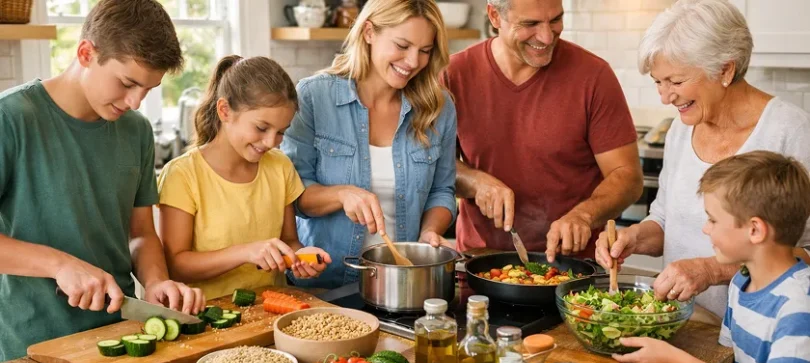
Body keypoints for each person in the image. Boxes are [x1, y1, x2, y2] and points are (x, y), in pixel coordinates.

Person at [0, 0, 204, 361]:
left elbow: (140, 233)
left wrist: (156, 282)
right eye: (127, 83)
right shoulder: (11, 119)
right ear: (85, 53)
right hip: (28, 346)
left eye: (149, 90)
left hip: (120, 336)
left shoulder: (136, 130)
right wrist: (59, 265)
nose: (136, 102)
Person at [594, 0, 810, 320]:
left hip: (763, 337)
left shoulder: (791, 131)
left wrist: (713, 270)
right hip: (685, 326)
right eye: (658, 81)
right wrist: (634, 238)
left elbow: (805, 254)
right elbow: (668, 223)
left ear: (725, 70)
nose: (665, 97)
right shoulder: (681, 132)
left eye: (676, 82)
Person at [443, 0, 643, 261]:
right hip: (479, 264)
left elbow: (628, 177)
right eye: (530, 24)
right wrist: (476, 183)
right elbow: (434, 170)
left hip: (573, 271)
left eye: (556, 20)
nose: (547, 37)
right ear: (494, 16)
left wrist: (584, 215)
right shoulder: (453, 75)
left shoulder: (594, 76)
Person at [281, 0, 457, 289]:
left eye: (425, 51)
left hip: (402, 285)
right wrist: (342, 194)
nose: (413, 62)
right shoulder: (314, 97)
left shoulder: (439, 107)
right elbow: (293, 197)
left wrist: (429, 232)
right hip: (324, 285)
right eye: (402, 45)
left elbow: (442, 190)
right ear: (369, 32)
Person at [613, 151, 810, 363]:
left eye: (713, 220)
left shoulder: (798, 303)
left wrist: (676, 361)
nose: (706, 229)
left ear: (755, 230)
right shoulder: (742, 282)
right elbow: (727, 361)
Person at [157, 56, 332, 300]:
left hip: (270, 312)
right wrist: (245, 253)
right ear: (224, 111)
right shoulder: (182, 175)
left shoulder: (280, 166)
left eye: (281, 132)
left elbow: (290, 240)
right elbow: (176, 265)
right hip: (206, 318)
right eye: (261, 128)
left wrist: (301, 258)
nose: (271, 142)